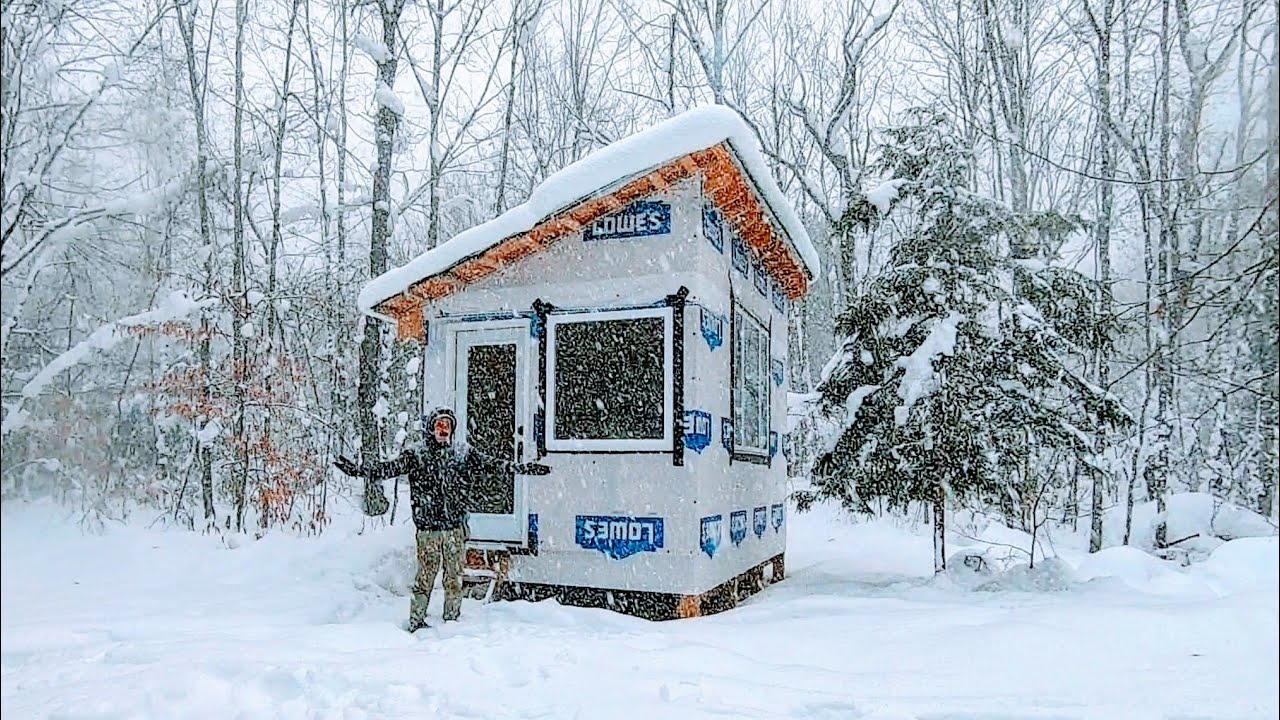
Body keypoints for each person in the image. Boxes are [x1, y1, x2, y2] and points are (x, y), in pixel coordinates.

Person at [333, 406, 551, 632]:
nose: (444, 429)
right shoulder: (416, 454)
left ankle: (452, 621)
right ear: (431, 428)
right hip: (428, 530)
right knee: (424, 578)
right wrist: (358, 471)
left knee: (454, 578)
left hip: (455, 528)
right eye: (439, 424)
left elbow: (494, 465)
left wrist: (523, 468)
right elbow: (387, 469)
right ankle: (416, 621)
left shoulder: (463, 453)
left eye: (448, 425)